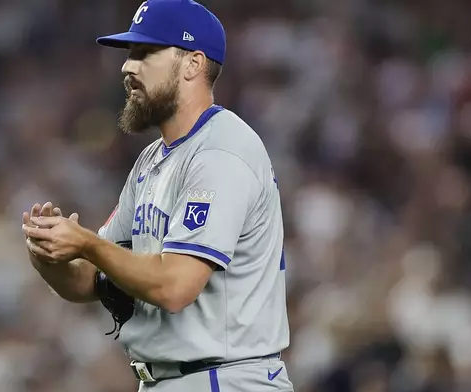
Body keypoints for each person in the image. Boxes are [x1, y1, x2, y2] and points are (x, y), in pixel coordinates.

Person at [21, 0, 294, 391]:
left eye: (146, 52)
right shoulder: (152, 160)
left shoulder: (221, 150)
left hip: (225, 379)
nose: (128, 66)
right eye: (130, 53)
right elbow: (89, 283)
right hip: (172, 379)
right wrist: (49, 257)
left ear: (193, 64)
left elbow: (175, 287)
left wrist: (85, 243)